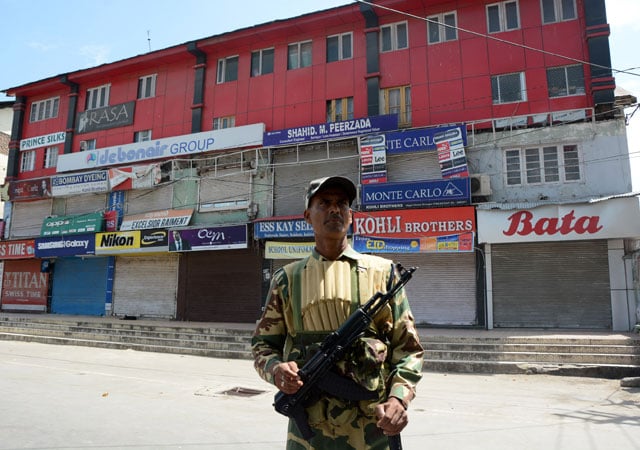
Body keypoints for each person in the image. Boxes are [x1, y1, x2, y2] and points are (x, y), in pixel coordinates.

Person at [252, 176, 424, 450]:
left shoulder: (384, 274)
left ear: (351, 215)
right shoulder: (287, 279)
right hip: (309, 434)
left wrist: (398, 399)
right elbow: (263, 345)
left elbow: (408, 350)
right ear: (308, 216)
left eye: (342, 203)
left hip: (373, 431)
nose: (335, 209)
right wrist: (276, 370)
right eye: (325, 203)